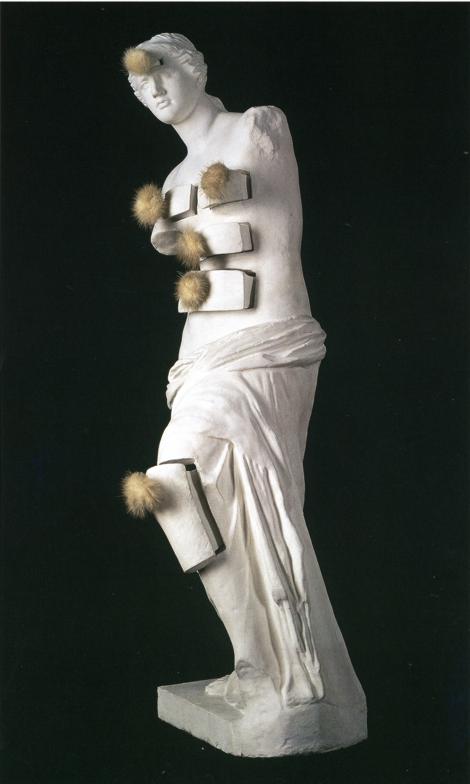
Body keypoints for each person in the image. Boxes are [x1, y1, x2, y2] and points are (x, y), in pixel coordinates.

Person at [123, 33, 366, 754]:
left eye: (162, 73)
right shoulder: (173, 178)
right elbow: (199, 262)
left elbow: (263, 222)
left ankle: (297, 680)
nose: (154, 91)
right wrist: (176, 230)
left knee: (222, 482)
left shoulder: (257, 126)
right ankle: (256, 662)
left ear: (194, 69)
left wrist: (190, 220)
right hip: (199, 355)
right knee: (180, 489)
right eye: (140, 87)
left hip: (267, 345)